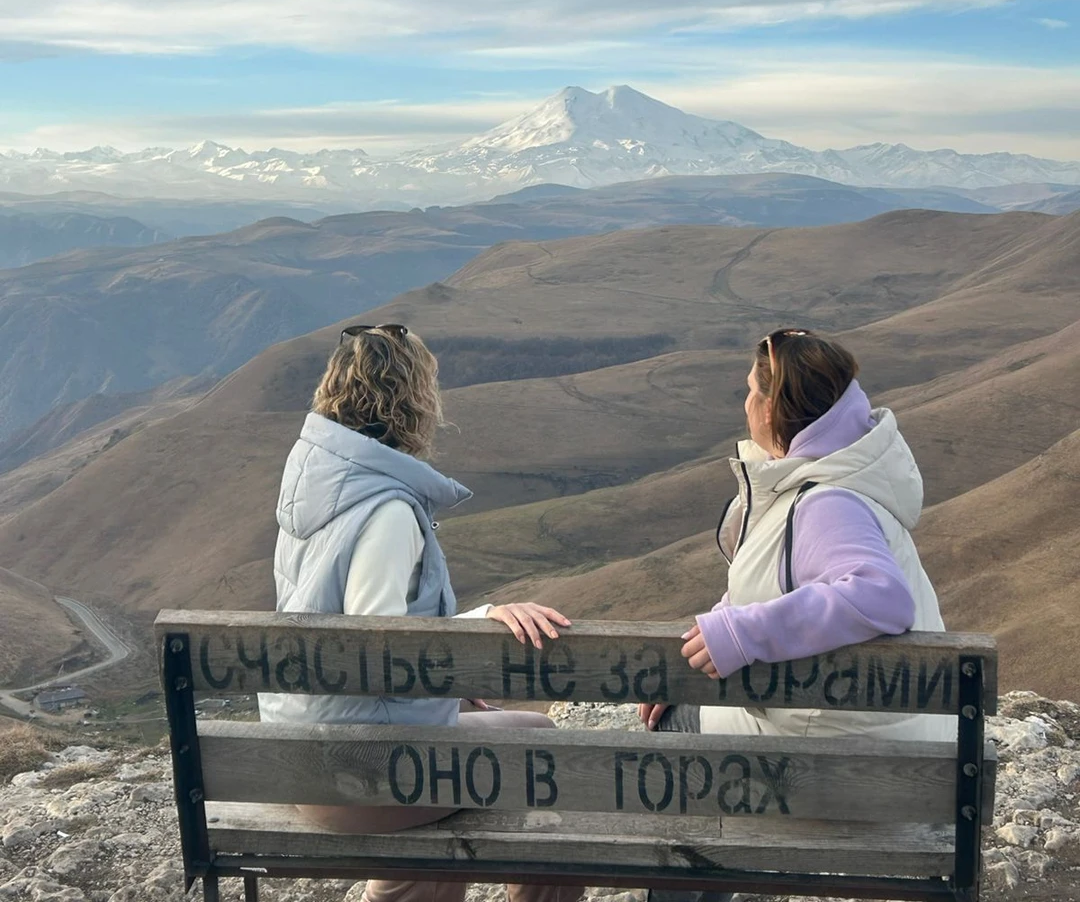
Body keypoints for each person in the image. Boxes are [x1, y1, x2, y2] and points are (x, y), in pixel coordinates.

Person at [259, 321, 583, 902]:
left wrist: (449, 685)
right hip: (362, 775)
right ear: (415, 401)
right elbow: (376, 646)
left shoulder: (316, 490)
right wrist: (480, 624)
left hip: (299, 754)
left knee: (457, 770)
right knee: (542, 745)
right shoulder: (385, 511)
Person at [639, 327, 951, 902]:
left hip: (842, 763)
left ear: (777, 411)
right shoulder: (838, 473)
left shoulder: (828, 501)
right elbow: (779, 579)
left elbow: (879, 594)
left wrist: (744, 632)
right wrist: (723, 624)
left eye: (753, 392)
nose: (745, 404)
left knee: (672, 733)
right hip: (896, 744)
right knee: (687, 708)